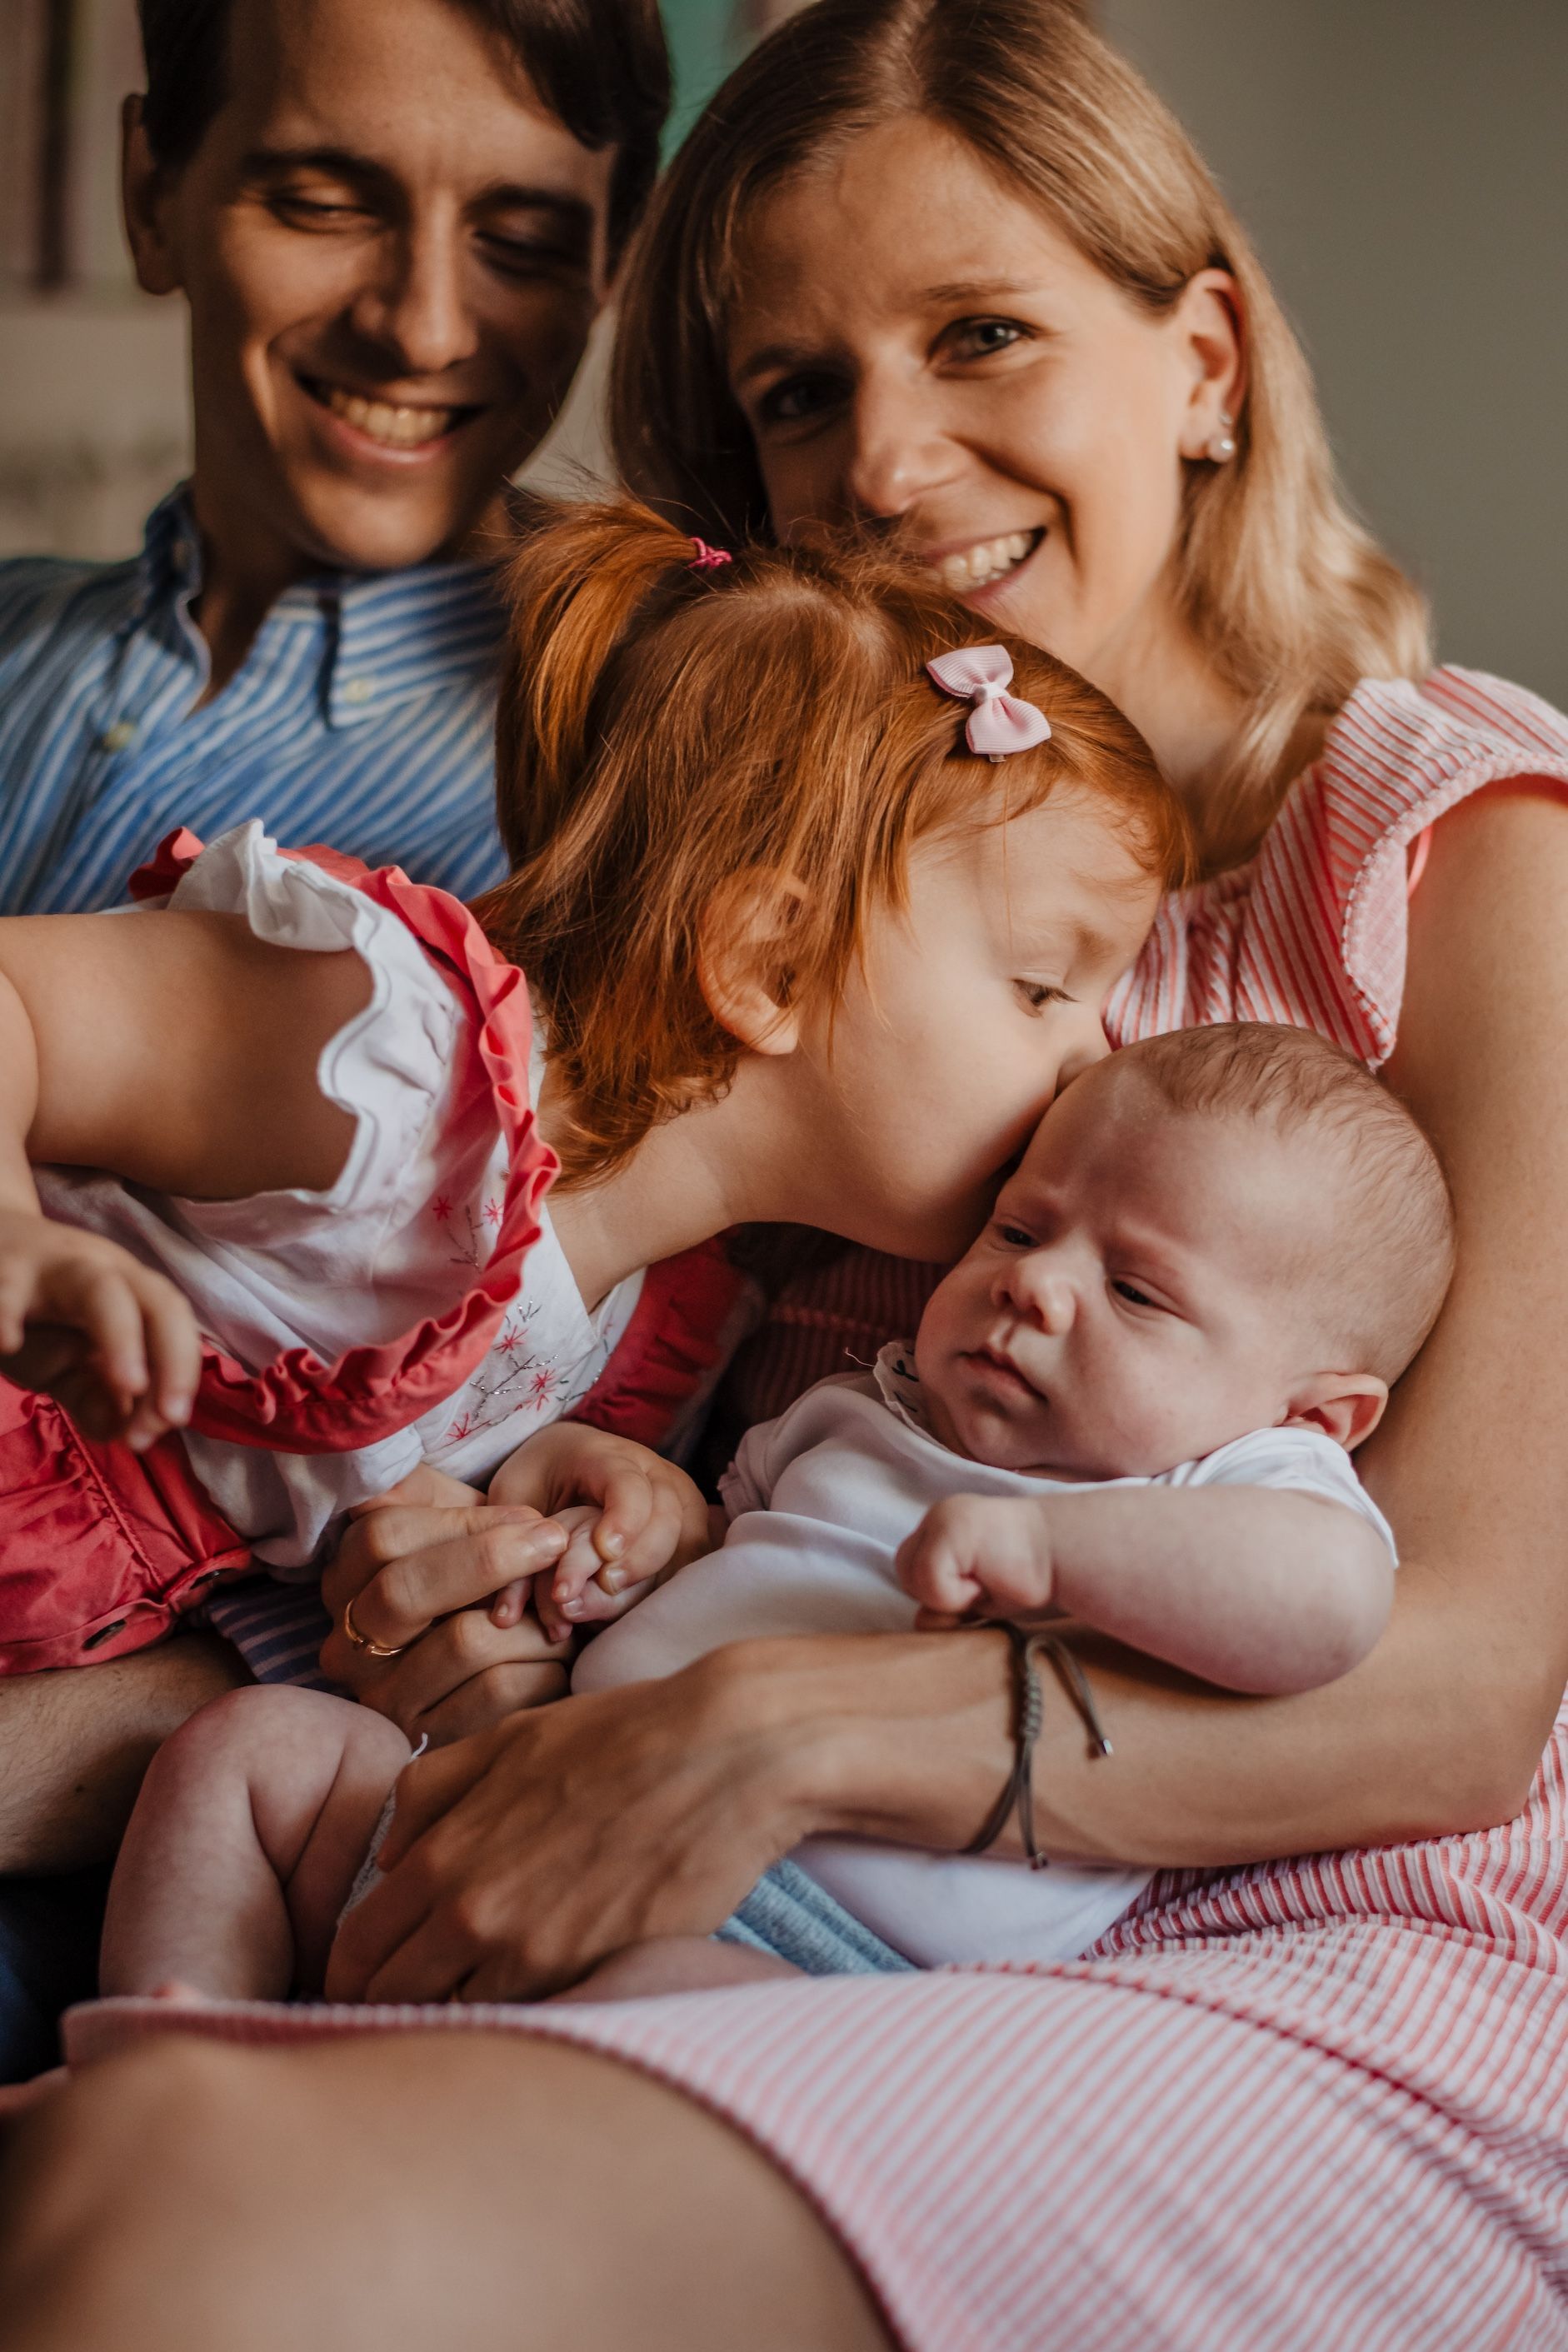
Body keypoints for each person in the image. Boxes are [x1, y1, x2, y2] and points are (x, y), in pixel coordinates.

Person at [6, 4, 1568, 2346]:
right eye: (797, 391)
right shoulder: (812, 936)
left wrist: (757, 1735)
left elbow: (1452, 1688)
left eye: (980, 335)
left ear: (1204, 362)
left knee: (176, 2193)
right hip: (778, 1908)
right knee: (132, 2162)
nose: (890, 461)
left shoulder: (1446, 834)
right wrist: (481, 1593)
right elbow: (596, 1452)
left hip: (1336, 1966)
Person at [0, 0, 669, 2066]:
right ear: (153, 191)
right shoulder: (18, 641)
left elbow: (527, 1527)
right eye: (322, 198)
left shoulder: (647, 771)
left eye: (525, 237)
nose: (424, 321)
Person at [94, 1022, 1446, 2005]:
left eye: (1137, 1293)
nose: (1033, 1288)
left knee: (657, 2005)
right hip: (539, 1784)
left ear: (1315, 1415)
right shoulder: (863, 1404)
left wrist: (1053, 1549)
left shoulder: (1233, 1482)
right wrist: (628, 1529)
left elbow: (1329, 1605)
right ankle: (167, 2055)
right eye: (1019, 1231)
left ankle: (356, 2150)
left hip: (801, 1956)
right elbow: (711, 1547)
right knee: (256, 1751)